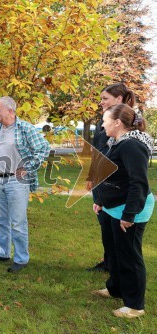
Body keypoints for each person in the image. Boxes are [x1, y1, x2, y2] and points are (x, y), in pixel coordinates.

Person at [91, 104, 154, 318]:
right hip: (112, 206)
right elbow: (111, 175)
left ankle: (135, 305)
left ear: (117, 122)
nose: (102, 124)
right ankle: (115, 289)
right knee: (114, 252)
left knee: (128, 256)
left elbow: (138, 183)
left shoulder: (131, 146)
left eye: (105, 120)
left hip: (130, 210)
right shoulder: (115, 143)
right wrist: (100, 201)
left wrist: (129, 215)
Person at [0, 96, 50, 273]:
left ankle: (21, 258)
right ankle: (1, 252)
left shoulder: (25, 128)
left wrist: (28, 167)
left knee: (18, 221)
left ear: (10, 111)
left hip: (17, 180)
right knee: (0, 219)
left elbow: (43, 148)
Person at [86, 83, 136, 273]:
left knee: (114, 226)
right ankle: (109, 262)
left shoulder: (128, 122)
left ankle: (115, 265)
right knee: (104, 224)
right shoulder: (103, 122)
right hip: (101, 181)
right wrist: (91, 175)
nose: (101, 103)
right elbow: (97, 151)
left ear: (119, 99)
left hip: (116, 183)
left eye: (105, 98)